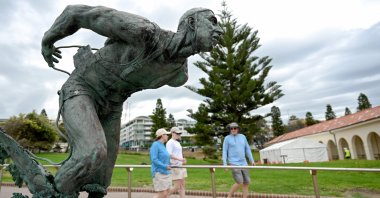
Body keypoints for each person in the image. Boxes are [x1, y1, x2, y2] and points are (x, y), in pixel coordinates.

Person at [41, 5, 222, 197]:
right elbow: (75, 13)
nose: (219, 30)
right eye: (212, 22)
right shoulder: (145, 33)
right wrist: (48, 40)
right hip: (82, 89)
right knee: (92, 153)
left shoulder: (179, 75)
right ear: (192, 23)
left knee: (101, 181)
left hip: (113, 106)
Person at [222, 122, 255, 198]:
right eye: (231, 128)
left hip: (244, 163)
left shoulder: (243, 137)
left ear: (238, 129)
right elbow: (224, 151)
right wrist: (225, 164)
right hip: (234, 163)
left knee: (246, 183)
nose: (233, 130)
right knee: (239, 182)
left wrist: (252, 160)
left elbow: (247, 149)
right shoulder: (227, 138)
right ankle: (228, 197)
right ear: (229, 129)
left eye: (235, 128)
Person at [150, 128, 172, 198]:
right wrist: (165, 166)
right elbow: (154, 159)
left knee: (167, 193)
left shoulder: (163, 145)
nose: (168, 136)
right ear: (162, 135)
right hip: (159, 173)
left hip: (167, 172)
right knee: (163, 194)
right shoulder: (155, 145)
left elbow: (165, 158)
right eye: (166, 135)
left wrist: (170, 164)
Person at [166, 127, 187, 198]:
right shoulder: (170, 142)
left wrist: (182, 160)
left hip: (181, 166)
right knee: (177, 186)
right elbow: (169, 155)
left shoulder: (177, 142)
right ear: (172, 133)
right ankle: (163, 196)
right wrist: (180, 159)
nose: (179, 134)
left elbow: (178, 153)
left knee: (182, 186)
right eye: (177, 133)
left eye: (179, 133)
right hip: (175, 166)